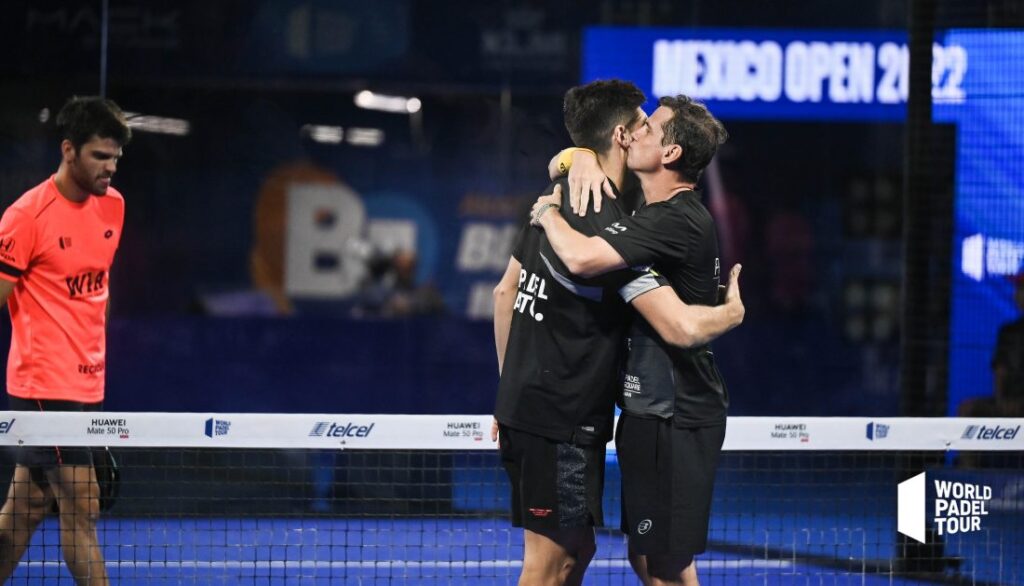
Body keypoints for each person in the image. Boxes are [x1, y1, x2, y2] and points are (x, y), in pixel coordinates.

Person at [493, 81, 743, 586]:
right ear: (622, 135)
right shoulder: (616, 211)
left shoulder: (641, 217)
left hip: (666, 414)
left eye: (652, 125)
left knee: (640, 563)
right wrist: (575, 157)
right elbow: (512, 291)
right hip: (588, 414)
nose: (641, 132)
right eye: (639, 123)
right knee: (587, 562)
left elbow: (680, 324)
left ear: (668, 151)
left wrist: (550, 201)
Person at [0, 96, 131, 585]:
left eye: (116, 157)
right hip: (41, 388)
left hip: (86, 387)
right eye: (100, 156)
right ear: (69, 150)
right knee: (83, 505)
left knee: (26, 509)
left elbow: (97, 286)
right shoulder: (26, 217)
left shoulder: (113, 207)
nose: (110, 167)